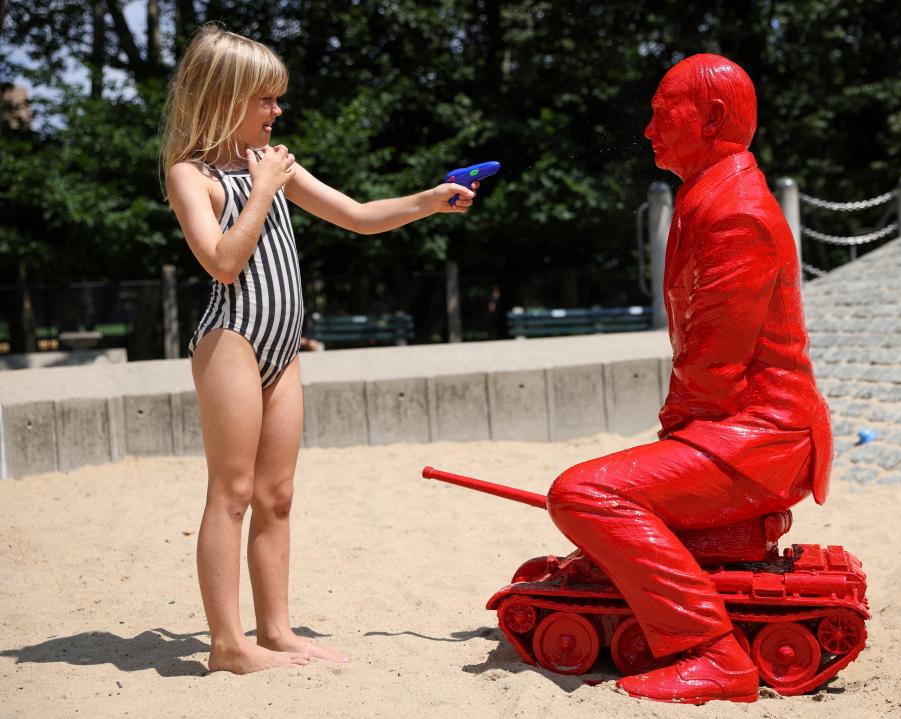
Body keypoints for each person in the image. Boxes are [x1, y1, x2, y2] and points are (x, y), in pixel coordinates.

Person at [159, 25, 481, 674]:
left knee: (277, 494)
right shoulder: (193, 176)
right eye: (265, 99)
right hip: (233, 340)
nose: (277, 111)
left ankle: (274, 630)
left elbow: (358, 216)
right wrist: (263, 189)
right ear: (224, 97)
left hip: (283, 347)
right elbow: (223, 262)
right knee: (233, 490)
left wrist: (430, 200)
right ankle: (227, 645)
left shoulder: (273, 162)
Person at [546, 54, 832, 704]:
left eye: (658, 112)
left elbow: (712, 364)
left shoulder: (736, 213)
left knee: (583, 494)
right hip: (742, 428)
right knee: (610, 487)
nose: (648, 129)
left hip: (762, 437)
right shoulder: (710, 196)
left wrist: (664, 456)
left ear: (711, 117)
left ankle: (712, 652)